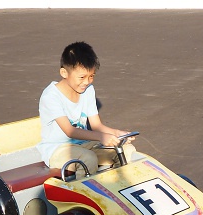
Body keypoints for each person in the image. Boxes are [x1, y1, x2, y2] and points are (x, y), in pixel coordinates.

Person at [38, 41, 133, 175]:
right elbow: (70, 131)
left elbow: (96, 125)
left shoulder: (88, 90)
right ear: (64, 73)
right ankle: (83, 195)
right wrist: (101, 137)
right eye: (82, 77)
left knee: (126, 151)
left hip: (84, 144)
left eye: (91, 76)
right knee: (88, 160)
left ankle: (115, 189)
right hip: (57, 149)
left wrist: (116, 133)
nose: (87, 82)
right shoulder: (51, 96)